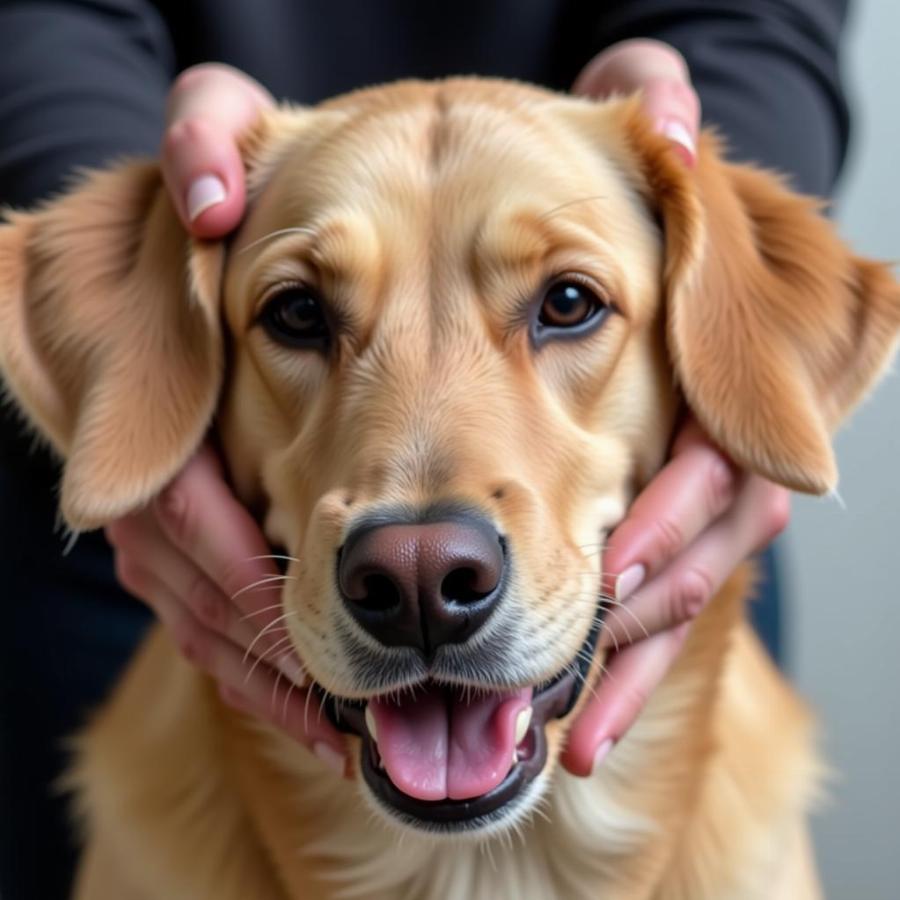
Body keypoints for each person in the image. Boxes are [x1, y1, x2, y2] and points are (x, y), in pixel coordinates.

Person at [0, 2, 848, 897]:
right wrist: (153, 230)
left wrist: (704, 163)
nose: (421, 559)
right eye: (298, 314)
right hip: (170, 588)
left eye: (566, 304)